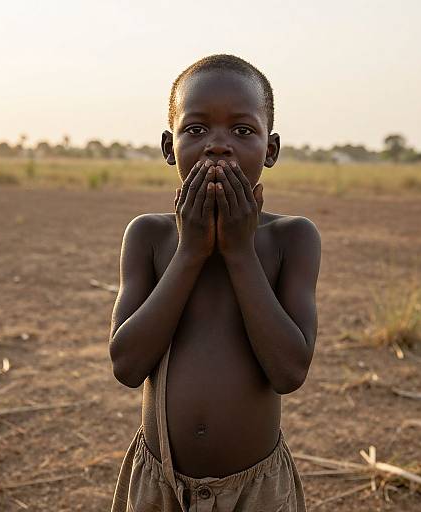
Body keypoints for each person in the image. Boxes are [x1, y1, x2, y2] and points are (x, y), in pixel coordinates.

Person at [109, 54, 321, 512]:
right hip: (159, 483)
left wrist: (239, 252)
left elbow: (289, 372)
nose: (217, 146)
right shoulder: (149, 235)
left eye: (242, 131)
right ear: (169, 146)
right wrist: (190, 252)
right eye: (196, 129)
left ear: (271, 149)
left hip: (257, 489)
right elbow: (126, 366)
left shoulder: (292, 238)